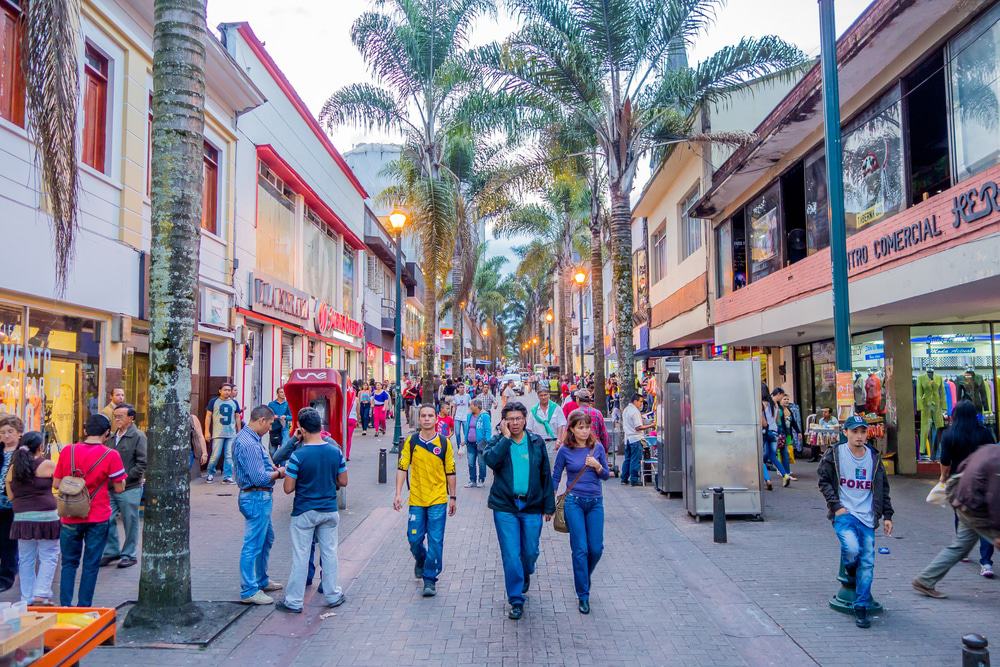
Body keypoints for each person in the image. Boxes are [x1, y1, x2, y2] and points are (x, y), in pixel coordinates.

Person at [817, 415, 894, 628]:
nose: (859, 436)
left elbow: (882, 489)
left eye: (863, 432)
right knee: (851, 549)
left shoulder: (874, 457)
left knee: (867, 563)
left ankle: (861, 607)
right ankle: (851, 568)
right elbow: (823, 481)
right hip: (845, 513)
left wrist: (887, 515)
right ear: (846, 433)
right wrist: (837, 507)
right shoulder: (835, 454)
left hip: (868, 517)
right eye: (855, 432)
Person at [483, 402, 556, 620]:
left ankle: (526, 572)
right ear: (504, 421)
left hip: (532, 505)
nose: (514, 423)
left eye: (518, 418)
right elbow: (491, 460)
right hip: (505, 507)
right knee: (511, 555)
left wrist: (549, 505)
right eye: (510, 419)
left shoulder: (535, 442)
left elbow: (545, 474)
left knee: (530, 552)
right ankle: (515, 599)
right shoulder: (498, 441)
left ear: (525, 419)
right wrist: (505, 438)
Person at [276, 408, 348, 613]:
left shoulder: (298, 456)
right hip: (329, 510)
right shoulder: (335, 451)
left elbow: (288, 488)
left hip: (304, 511)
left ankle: (294, 601)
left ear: (302, 428)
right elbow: (343, 481)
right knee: (330, 553)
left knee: (301, 554)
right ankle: (333, 594)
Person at [53, 414, 127, 607]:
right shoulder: (111, 455)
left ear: (85, 430)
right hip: (98, 515)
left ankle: (65, 606)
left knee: (68, 563)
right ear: (107, 433)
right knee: (91, 565)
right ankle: (83, 607)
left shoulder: (68, 451)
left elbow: (57, 483)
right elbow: (119, 488)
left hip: (70, 516)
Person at [914, 439, 1000, 599]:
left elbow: (962, 467)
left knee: (960, 546)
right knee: (963, 545)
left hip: (962, 500)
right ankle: (925, 580)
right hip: (976, 509)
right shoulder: (997, 464)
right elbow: (995, 499)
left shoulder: (988, 449)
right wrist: (996, 531)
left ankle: (925, 579)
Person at [925, 400, 997, 580]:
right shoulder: (984, 433)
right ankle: (986, 562)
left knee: (961, 515)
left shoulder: (950, 435)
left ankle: (963, 552)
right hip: (983, 482)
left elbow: (945, 460)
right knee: (985, 520)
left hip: (960, 483)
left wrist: (943, 478)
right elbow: (992, 455)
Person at [394, 404, 457, 598]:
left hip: (438, 499)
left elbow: (451, 471)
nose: (427, 419)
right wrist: (398, 494)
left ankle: (430, 579)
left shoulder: (444, 443)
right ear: (419, 419)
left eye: (431, 415)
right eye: (424, 416)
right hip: (417, 500)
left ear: (436, 418)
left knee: (436, 541)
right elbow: (402, 467)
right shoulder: (411, 442)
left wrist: (452, 497)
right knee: (414, 539)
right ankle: (420, 560)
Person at [551, 410, 609, 614]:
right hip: (573, 502)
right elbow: (556, 476)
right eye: (580, 427)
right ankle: (583, 595)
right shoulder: (565, 450)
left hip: (595, 502)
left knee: (596, 548)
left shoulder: (598, 448)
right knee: (580, 549)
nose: (584, 431)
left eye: (587, 427)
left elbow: (607, 476)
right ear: (572, 429)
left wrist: (598, 467)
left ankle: (583, 575)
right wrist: (550, 499)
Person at [233, 405, 285, 605]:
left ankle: (260, 579)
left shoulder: (249, 439)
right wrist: (279, 473)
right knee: (253, 544)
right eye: (270, 424)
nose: (270, 428)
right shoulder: (249, 443)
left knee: (266, 538)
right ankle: (249, 590)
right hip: (255, 497)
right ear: (262, 420)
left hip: (257, 497)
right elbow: (259, 477)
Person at [7, 432, 59, 605]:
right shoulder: (47, 464)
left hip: (22, 518)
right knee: (49, 555)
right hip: (46, 517)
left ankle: (27, 597)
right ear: (40, 447)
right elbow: (58, 484)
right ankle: (41, 593)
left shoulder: (14, 467)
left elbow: (10, 494)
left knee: (26, 558)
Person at [101, 404, 147, 569]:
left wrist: (126, 480)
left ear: (131, 418)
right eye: (115, 416)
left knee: (130, 521)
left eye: (120, 416)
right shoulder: (112, 438)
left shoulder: (138, 436)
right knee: (106, 519)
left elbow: (142, 463)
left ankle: (129, 554)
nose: (117, 419)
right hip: (111, 488)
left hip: (130, 487)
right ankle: (111, 551)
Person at [0, 415, 23, 591]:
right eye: (3, 433)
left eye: (10, 432)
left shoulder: (22, 453)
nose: (6, 436)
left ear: (18, 433)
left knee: (9, 542)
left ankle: (7, 577)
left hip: (12, 504)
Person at [205, 383, 240, 484]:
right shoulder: (213, 401)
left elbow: (237, 417)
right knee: (215, 455)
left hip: (231, 434)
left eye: (229, 390)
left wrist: (239, 431)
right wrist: (206, 431)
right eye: (225, 390)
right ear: (220, 391)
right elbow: (208, 416)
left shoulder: (234, 403)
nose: (227, 392)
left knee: (229, 455)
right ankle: (210, 473)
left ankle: (227, 477)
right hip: (218, 433)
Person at [762, 387, 792, 490]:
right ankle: (785, 475)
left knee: (761, 459)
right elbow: (777, 421)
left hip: (765, 432)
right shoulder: (775, 405)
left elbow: (762, 420)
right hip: (774, 432)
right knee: (772, 456)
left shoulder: (763, 404)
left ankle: (768, 479)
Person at [620, 394, 654, 486]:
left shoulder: (626, 410)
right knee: (635, 460)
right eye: (640, 401)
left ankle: (624, 478)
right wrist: (651, 425)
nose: (641, 404)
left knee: (627, 459)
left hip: (628, 438)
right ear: (635, 401)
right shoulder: (635, 411)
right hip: (635, 438)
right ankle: (634, 479)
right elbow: (638, 427)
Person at [773, 389, 801, 480]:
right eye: (784, 399)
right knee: (780, 452)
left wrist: (798, 432)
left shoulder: (789, 410)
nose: (786, 401)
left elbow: (793, 423)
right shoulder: (779, 409)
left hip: (788, 435)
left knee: (787, 452)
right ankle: (782, 470)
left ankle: (784, 471)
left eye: (787, 399)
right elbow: (777, 423)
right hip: (781, 434)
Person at [465, 399, 491, 488]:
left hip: (481, 444)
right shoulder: (469, 416)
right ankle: (472, 480)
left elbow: (488, 430)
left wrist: (487, 442)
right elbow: (467, 429)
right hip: (470, 443)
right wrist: (465, 440)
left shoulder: (485, 416)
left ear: (476, 406)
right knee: (471, 463)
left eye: (471, 405)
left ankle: (481, 479)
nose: (470, 407)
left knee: (481, 463)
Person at [267, 387, 293, 454]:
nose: (283, 394)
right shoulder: (271, 404)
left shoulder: (288, 404)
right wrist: (273, 417)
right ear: (277, 394)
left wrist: (286, 417)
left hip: (284, 429)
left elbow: (292, 417)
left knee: (284, 449)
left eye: (284, 392)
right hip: (274, 428)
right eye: (281, 392)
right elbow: (267, 415)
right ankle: (274, 464)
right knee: (272, 451)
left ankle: (282, 464)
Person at [452, 384, 471, 450]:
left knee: (466, 433)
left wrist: (471, 415)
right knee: (457, 433)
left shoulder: (467, 396)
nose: (462, 389)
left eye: (463, 387)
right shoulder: (455, 396)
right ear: (458, 389)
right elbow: (454, 407)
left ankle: (467, 446)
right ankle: (459, 446)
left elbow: (470, 405)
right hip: (457, 417)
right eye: (461, 387)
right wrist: (452, 416)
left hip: (465, 417)